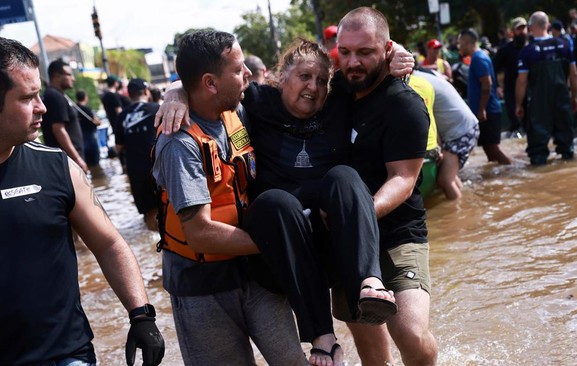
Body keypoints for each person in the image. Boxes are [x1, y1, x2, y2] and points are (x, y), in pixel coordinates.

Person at [152, 30, 375, 366]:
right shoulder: (179, 144)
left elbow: (193, 86)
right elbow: (199, 233)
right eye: (239, 69)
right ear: (212, 83)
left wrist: (176, 92)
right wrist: (289, 239)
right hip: (204, 288)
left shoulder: (235, 114)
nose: (249, 74)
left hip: (255, 276)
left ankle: (324, 336)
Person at [0, 36, 165, 366]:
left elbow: (108, 244)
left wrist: (142, 316)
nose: (42, 107)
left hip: (67, 354)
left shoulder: (58, 168)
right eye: (28, 97)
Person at [334, 7, 438, 365]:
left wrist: (357, 219)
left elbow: (404, 179)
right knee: (373, 355)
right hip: (344, 236)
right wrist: (178, 89)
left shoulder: (404, 104)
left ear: (387, 50)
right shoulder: (334, 91)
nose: (353, 63)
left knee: (409, 332)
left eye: (365, 52)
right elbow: (264, 82)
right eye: (345, 52)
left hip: (398, 230)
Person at [516, 11, 577, 165]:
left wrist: (518, 104)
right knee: (567, 145)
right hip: (562, 99)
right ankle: (570, 174)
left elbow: (522, 82)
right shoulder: (564, 46)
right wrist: (574, 97)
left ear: (530, 28)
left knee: (537, 150)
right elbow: (574, 75)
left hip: (539, 104)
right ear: (548, 26)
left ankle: (539, 177)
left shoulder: (528, 51)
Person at [414, 68, 479, 200]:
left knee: (445, 180)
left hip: (460, 131)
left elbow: (429, 121)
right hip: (466, 126)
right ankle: (463, 202)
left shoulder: (415, 84)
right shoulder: (425, 74)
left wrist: (437, 148)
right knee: (450, 175)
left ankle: (460, 215)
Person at [459, 28, 512, 165]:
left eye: (460, 44)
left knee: (493, 149)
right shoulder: (480, 57)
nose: (459, 47)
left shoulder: (478, 58)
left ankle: (512, 170)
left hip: (488, 111)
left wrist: (482, 109)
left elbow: (487, 84)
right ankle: (499, 179)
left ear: (467, 43)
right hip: (487, 110)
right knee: (488, 149)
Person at [114, 78, 159, 231]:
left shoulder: (122, 116)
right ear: (146, 92)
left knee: (149, 211)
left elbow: (118, 147)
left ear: (130, 95)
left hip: (136, 170)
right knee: (170, 206)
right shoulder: (156, 108)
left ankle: (157, 246)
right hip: (159, 166)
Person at [41, 59, 87, 172]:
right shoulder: (54, 96)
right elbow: (59, 129)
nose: (73, 79)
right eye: (70, 75)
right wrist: (77, 159)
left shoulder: (56, 95)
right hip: (67, 161)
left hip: (67, 160)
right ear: (57, 76)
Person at [494, 16, 529, 137]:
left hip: (529, 90)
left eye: (524, 28)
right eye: (519, 29)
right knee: (515, 122)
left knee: (530, 123)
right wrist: (497, 87)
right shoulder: (505, 50)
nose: (522, 31)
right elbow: (493, 69)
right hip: (511, 91)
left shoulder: (532, 47)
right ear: (513, 31)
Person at [75, 89, 101, 167]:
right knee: (95, 162)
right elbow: (97, 122)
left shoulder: (75, 109)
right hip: (90, 136)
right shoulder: (87, 109)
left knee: (87, 162)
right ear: (85, 97)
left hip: (80, 138)